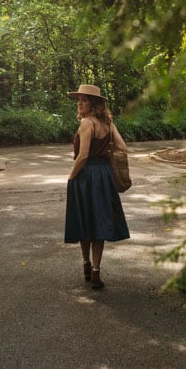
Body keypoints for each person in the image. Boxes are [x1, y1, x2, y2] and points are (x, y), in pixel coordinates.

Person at [64, 84, 130, 289]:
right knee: (99, 222)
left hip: (86, 176)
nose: (80, 103)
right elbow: (122, 148)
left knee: (85, 221)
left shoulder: (86, 123)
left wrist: (71, 176)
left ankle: (86, 264)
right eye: (79, 100)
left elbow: (83, 156)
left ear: (93, 103)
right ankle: (95, 271)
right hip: (104, 176)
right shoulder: (108, 124)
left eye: (84, 100)